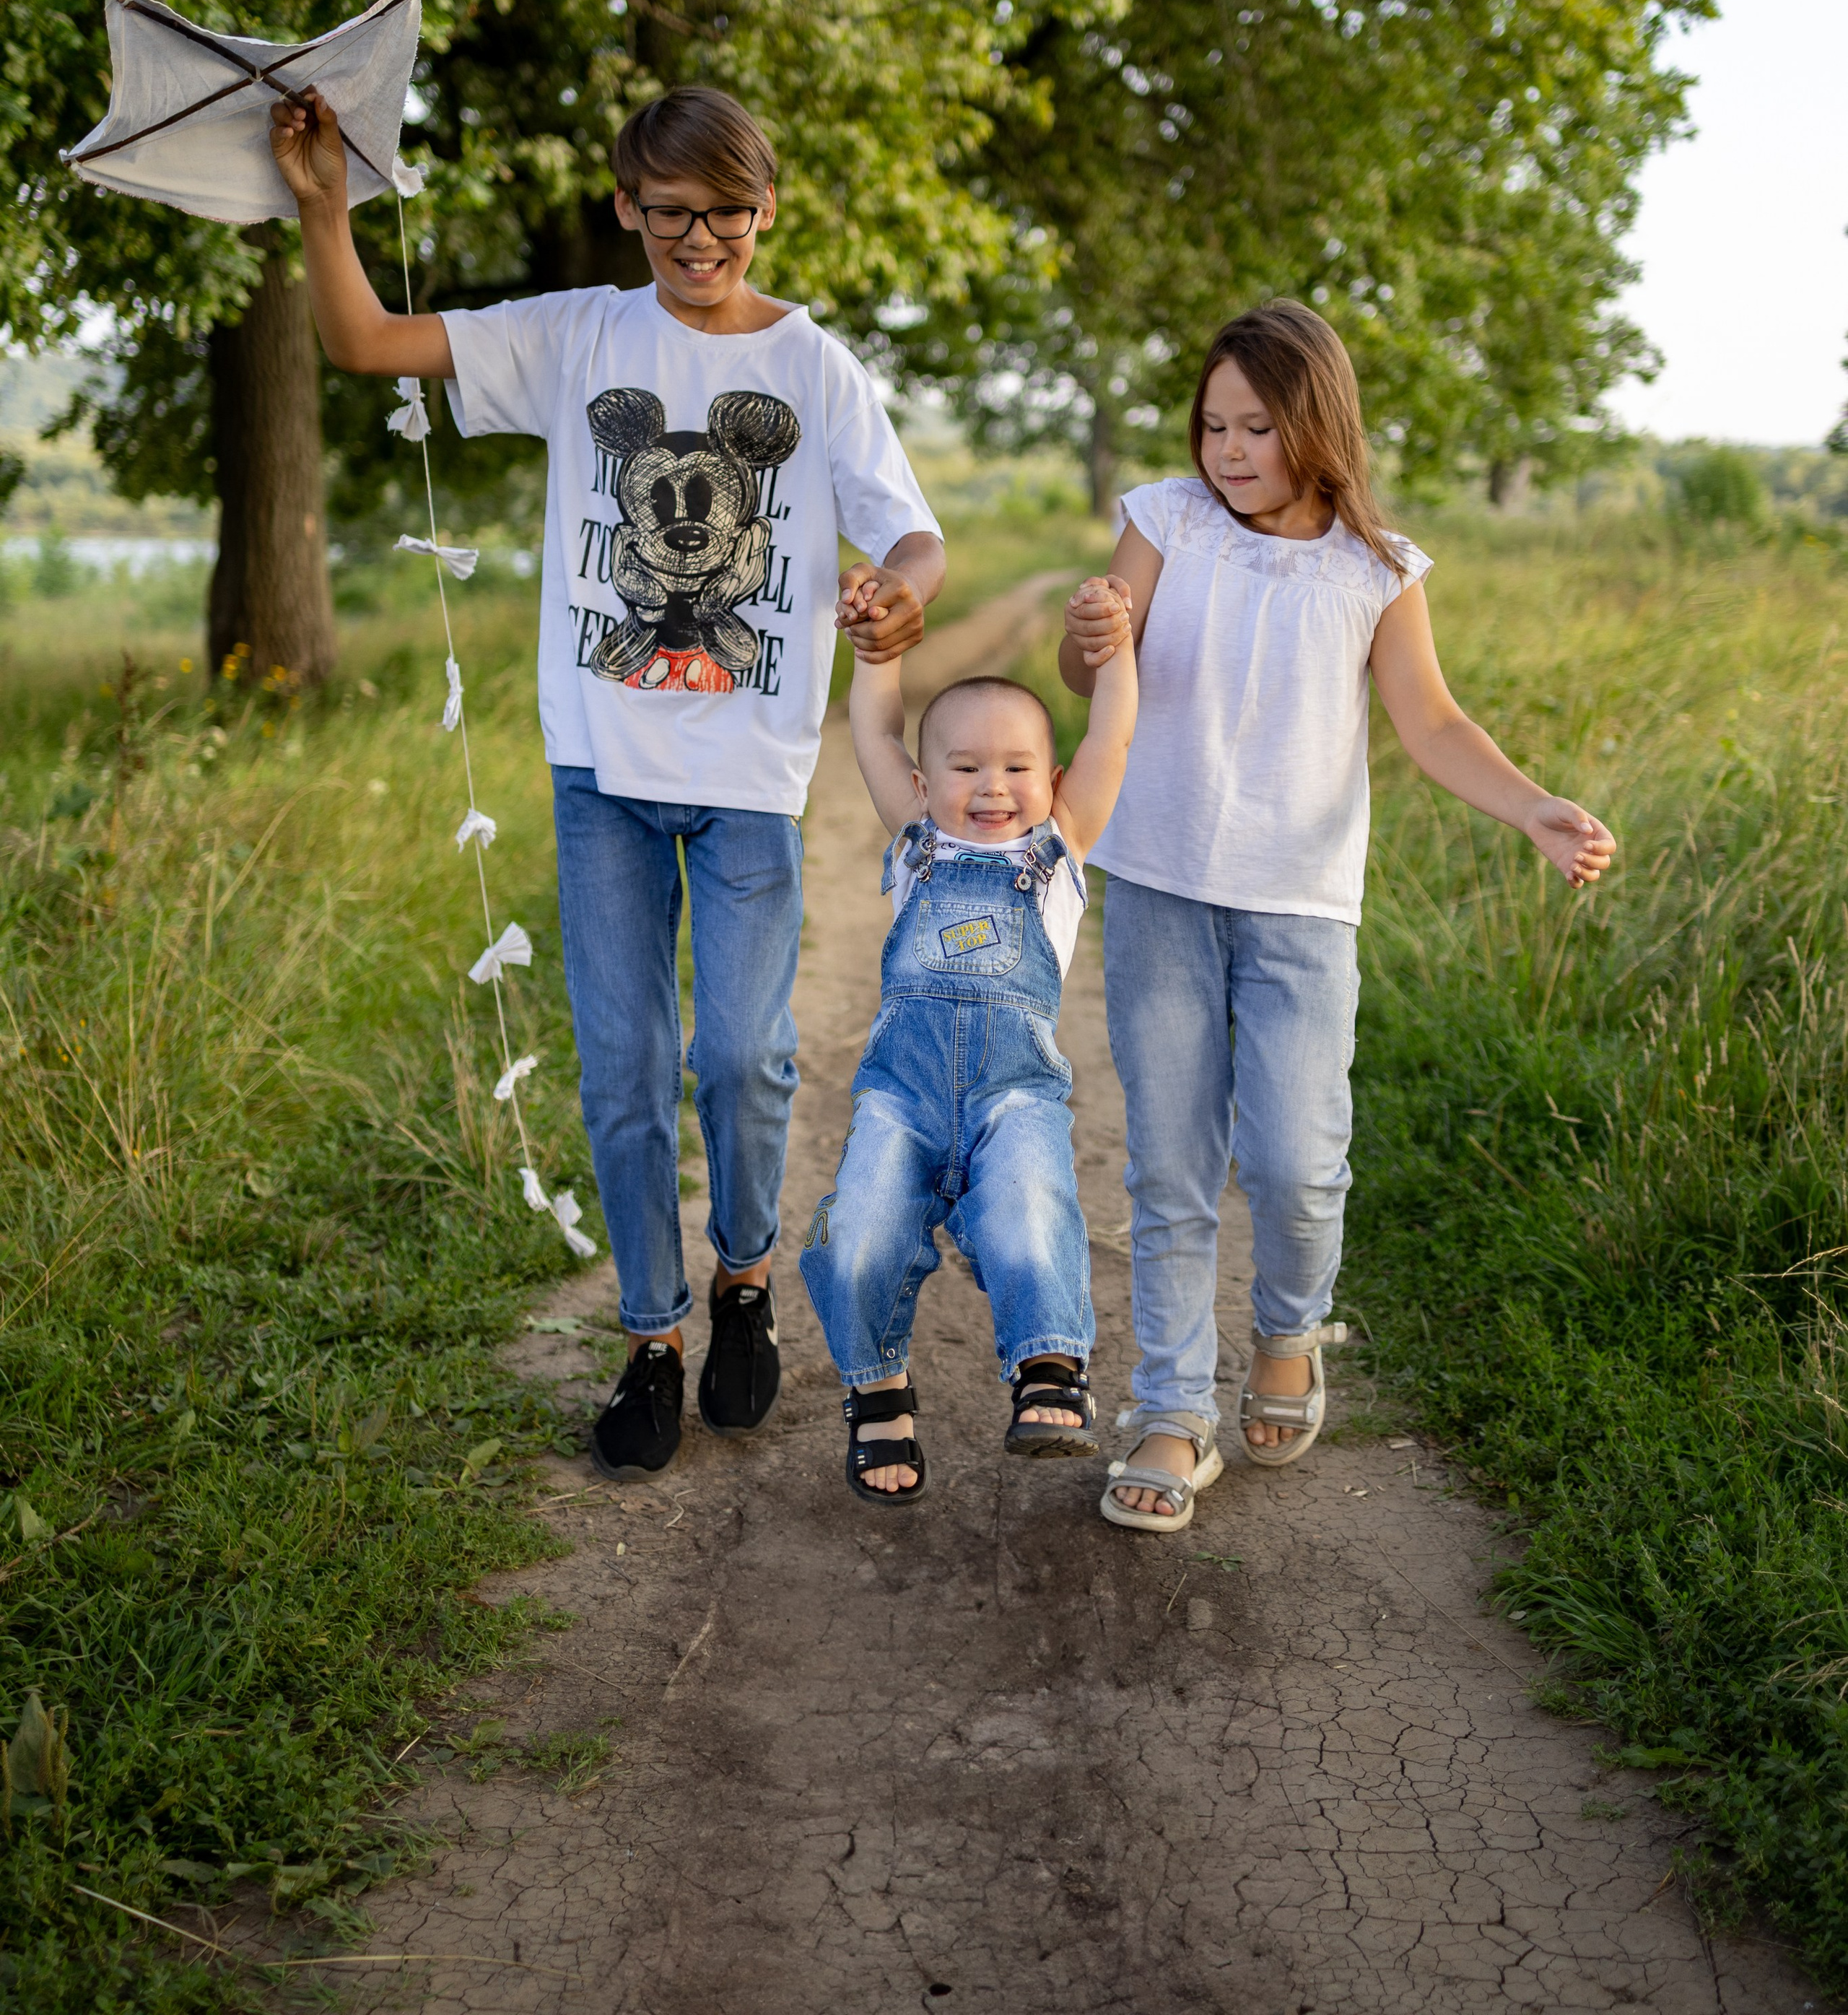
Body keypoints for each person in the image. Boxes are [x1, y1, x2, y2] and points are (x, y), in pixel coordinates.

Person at [268, 80, 944, 1480]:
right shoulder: (580, 332)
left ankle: (742, 1280)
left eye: (725, 215)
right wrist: (328, 209)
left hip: (754, 773)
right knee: (627, 1069)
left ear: (767, 210)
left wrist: (894, 596)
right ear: (627, 207)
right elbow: (357, 337)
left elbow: (908, 536)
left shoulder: (815, 370)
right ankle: (650, 1339)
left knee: (743, 1059)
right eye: (668, 214)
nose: (698, 242)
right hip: (601, 770)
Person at [1060, 301, 1615, 1533]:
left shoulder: (1379, 571)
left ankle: (1287, 1334)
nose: (1230, 450)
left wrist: (1532, 810)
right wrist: (1091, 633)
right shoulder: (1164, 522)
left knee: (1298, 1164)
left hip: (1303, 906)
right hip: (1159, 885)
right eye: (1214, 425)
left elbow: (1432, 723)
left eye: (1257, 425)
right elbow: (1094, 664)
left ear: (1317, 425)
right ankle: (1169, 1411)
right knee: (1170, 1165)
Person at [798, 588, 1139, 1504]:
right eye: (964, 767)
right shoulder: (915, 843)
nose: (992, 787)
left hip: (1012, 1096)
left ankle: (1047, 1368)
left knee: (1033, 1210)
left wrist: (1113, 655)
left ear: (1053, 782)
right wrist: (876, 656)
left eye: (1017, 768)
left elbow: (1111, 740)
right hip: (900, 1100)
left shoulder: (1057, 849)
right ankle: (877, 1392)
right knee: (857, 1238)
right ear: (922, 784)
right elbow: (872, 731)